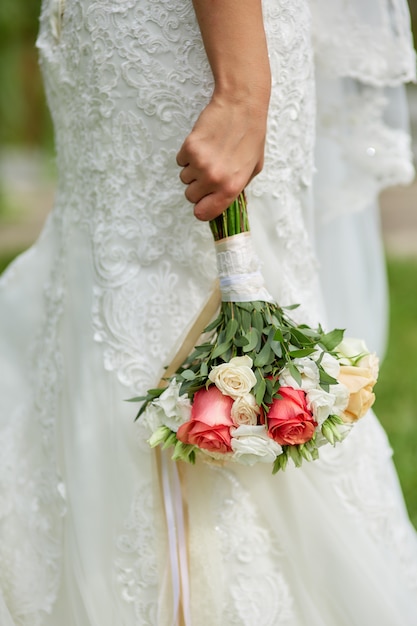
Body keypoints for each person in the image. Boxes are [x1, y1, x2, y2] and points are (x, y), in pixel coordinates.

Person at [0, 0, 416, 624]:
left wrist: (243, 89)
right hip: (117, 40)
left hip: (203, 42)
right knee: (104, 285)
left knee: (187, 282)